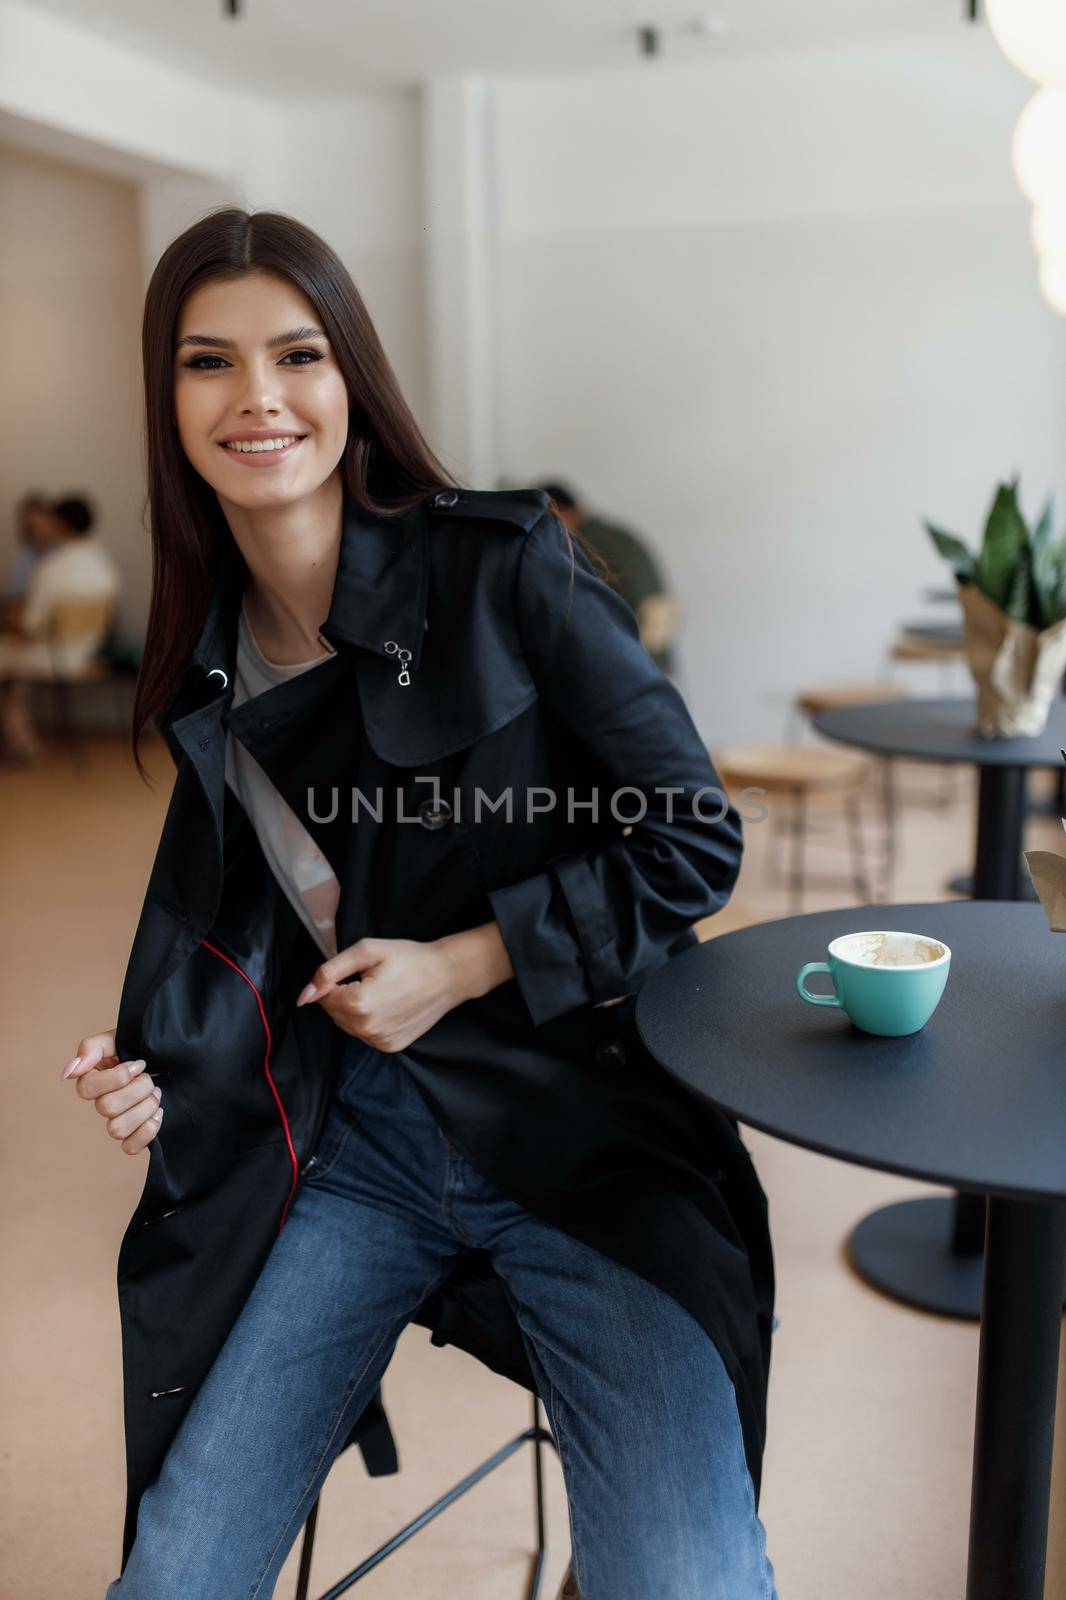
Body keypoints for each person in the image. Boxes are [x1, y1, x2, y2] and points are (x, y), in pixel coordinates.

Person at [60, 208, 776, 1600]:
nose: (256, 398)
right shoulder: (205, 664)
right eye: (208, 363)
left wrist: (460, 961)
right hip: (363, 1150)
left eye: (297, 354)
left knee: (683, 1581)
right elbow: (254, 935)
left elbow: (693, 836)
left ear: (352, 381)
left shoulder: (503, 567)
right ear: (167, 396)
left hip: (592, 1132)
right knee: (174, 1577)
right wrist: (152, 1063)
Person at [0, 494, 119, 763]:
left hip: (56, 656)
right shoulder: (104, 564)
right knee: (14, 676)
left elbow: (31, 623)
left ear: (60, 523)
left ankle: (22, 744)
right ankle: (18, 738)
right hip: (88, 653)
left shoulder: (52, 568)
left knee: (6, 659)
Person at [536, 481, 681, 675]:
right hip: (655, 662)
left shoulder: (584, 543)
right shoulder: (616, 535)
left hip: (630, 665)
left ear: (557, 513)